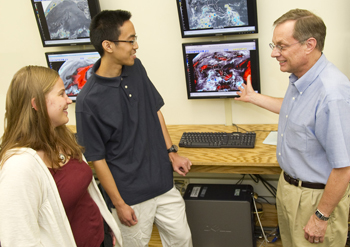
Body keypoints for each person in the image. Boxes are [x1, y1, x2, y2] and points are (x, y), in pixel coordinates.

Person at [75, 10, 193, 247]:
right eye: (130, 40)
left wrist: (172, 152)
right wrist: (118, 203)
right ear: (108, 45)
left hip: (162, 182)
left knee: (182, 240)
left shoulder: (136, 68)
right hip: (130, 196)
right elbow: (97, 159)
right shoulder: (88, 101)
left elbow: (154, 110)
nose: (136, 46)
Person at [235, 9, 350, 247]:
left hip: (316, 199)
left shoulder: (332, 93)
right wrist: (254, 98)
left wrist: (321, 216)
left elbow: (344, 167)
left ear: (309, 44)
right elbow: (293, 111)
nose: (274, 53)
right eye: (274, 45)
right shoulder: (303, 77)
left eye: (281, 46)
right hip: (290, 189)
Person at [0, 66, 122, 247]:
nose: (69, 100)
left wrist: (106, 227)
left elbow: (84, 194)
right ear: (37, 104)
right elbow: (19, 240)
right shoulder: (19, 167)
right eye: (62, 94)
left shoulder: (61, 137)